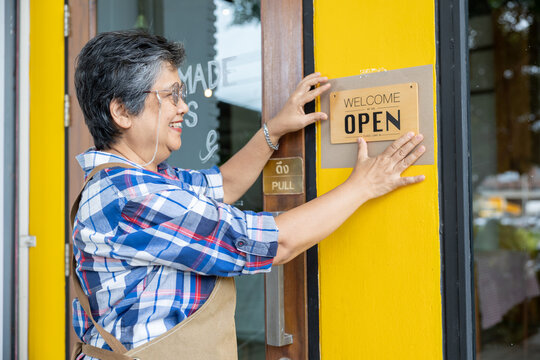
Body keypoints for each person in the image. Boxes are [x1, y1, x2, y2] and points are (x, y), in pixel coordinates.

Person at [71, 30, 426, 359]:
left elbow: (223, 186)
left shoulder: (137, 180)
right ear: (121, 111)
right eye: (171, 95)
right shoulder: (132, 195)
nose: (184, 107)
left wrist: (274, 129)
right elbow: (277, 242)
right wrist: (364, 185)